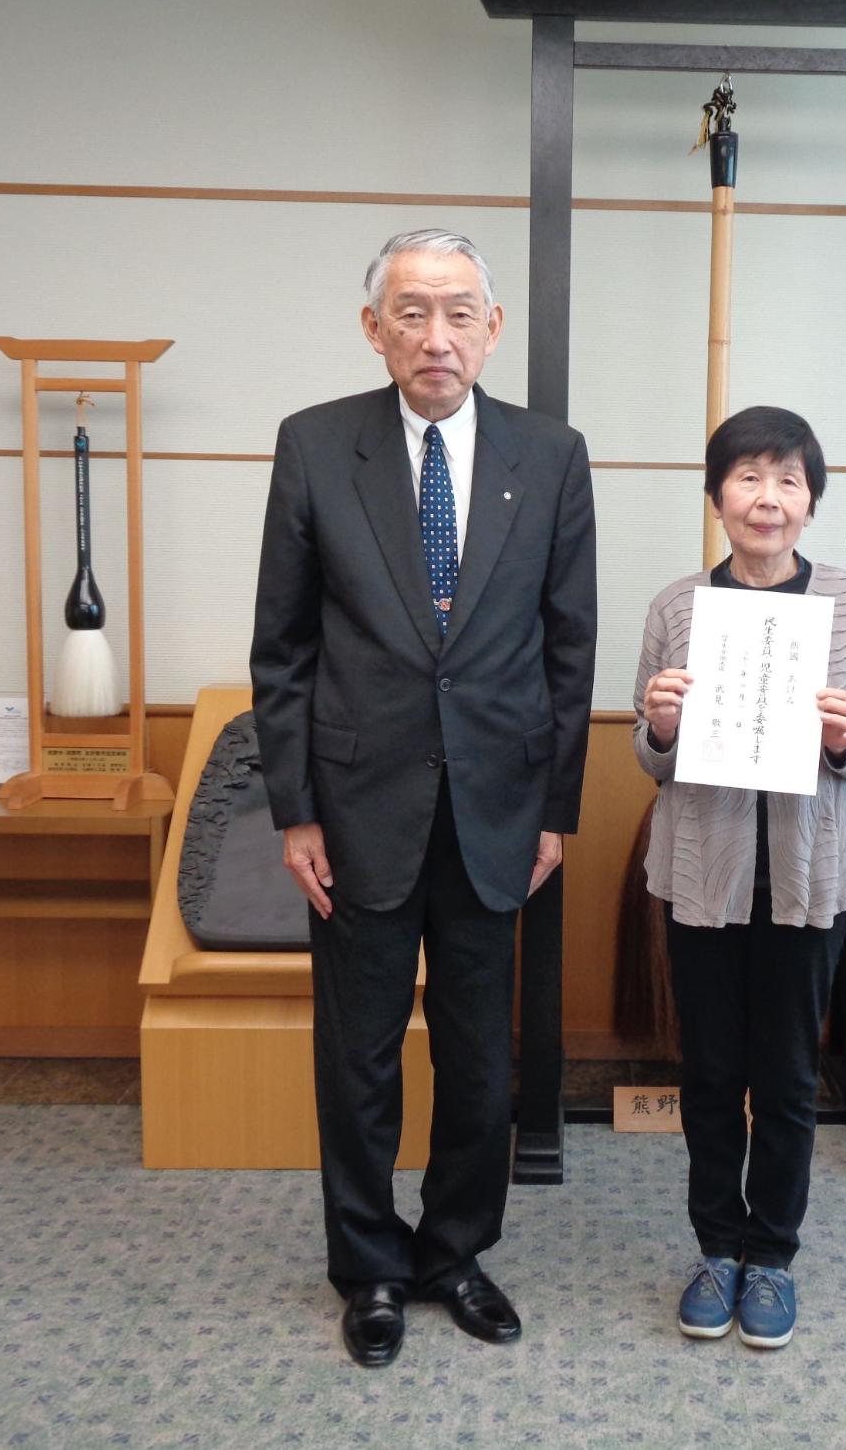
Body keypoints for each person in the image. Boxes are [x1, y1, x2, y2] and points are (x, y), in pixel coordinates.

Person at [252, 229, 597, 1368]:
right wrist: (294, 811)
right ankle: (369, 1267)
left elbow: (567, 645)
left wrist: (557, 810)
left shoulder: (549, 454)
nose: (435, 336)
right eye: (411, 312)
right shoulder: (315, 446)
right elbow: (283, 648)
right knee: (355, 1054)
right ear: (373, 328)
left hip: (497, 805)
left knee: (477, 1056)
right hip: (354, 810)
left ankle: (453, 1251)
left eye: (458, 313)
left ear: (491, 330)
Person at [632, 406, 846, 1350]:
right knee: (709, 1075)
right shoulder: (676, 608)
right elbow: (648, 753)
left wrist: (842, 740)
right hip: (705, 870)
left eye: (787, 479)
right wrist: (661, 728)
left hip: (808, 873)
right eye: (747, 477)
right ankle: (716, 1247)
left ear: (811, 501)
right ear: (717, 497)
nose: (767, 498)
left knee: (786, 1078)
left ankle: (772, 1257)